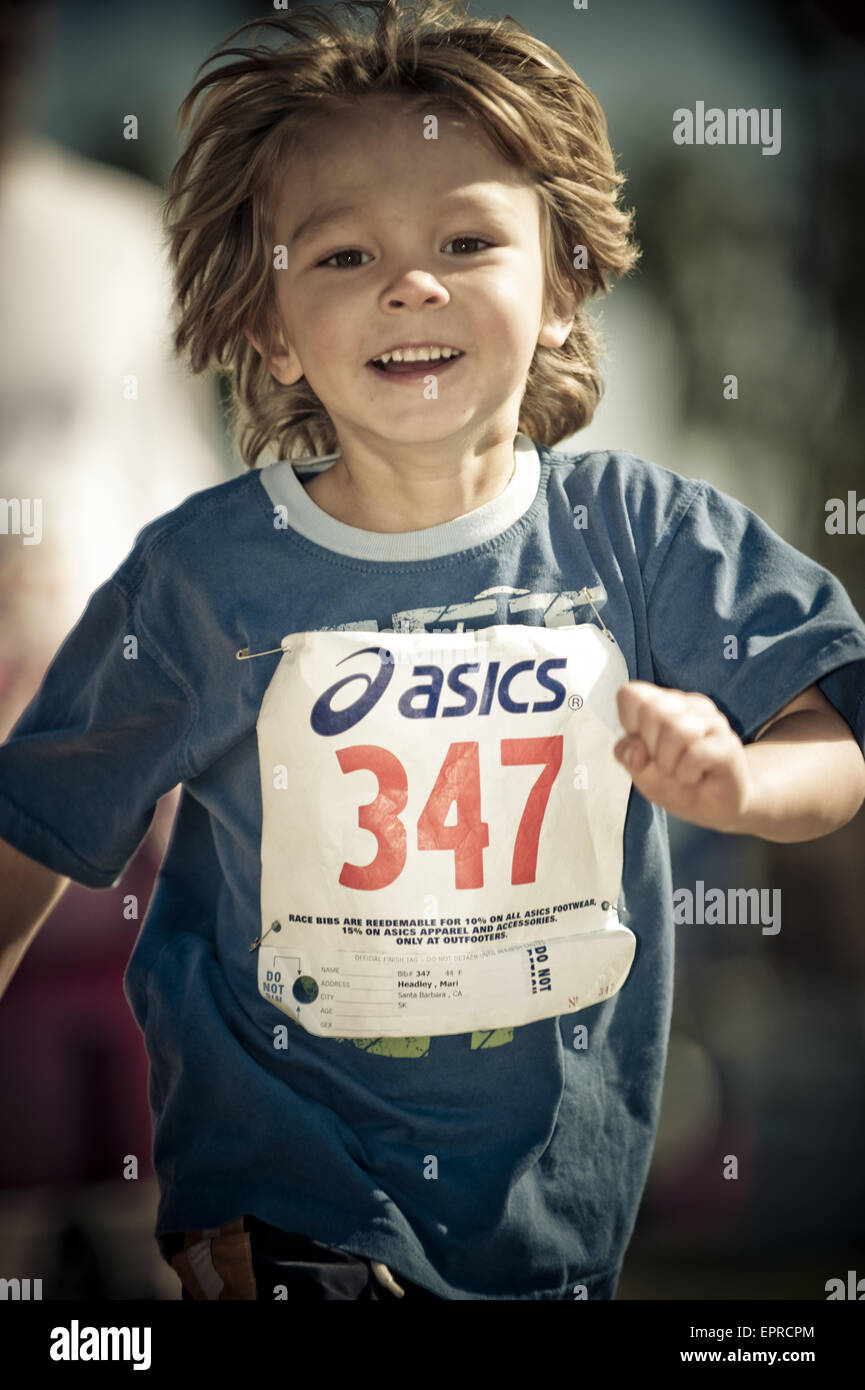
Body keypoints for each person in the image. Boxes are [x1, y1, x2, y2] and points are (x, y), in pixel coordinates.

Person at [1, 0, 864, 1301]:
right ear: (272, 329)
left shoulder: (651, 537)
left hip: (553, 1219)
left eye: (466, 239)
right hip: (282, 1199)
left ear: (564, 292)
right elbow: (33, 831)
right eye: (343, 255)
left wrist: (742, 785)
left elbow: (835, 742)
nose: (410, 281)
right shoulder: (196, 578)